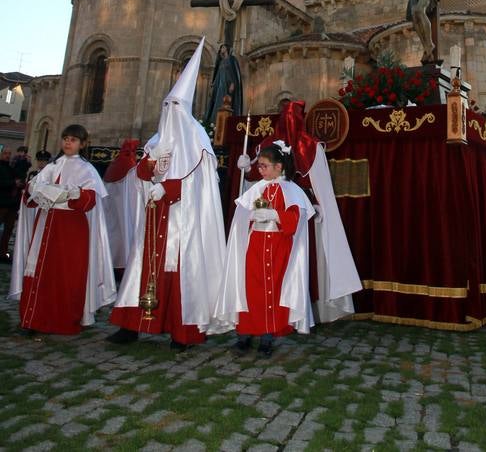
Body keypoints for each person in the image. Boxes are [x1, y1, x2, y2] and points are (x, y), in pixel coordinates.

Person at [108, 37, 228, 351]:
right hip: (155, 216)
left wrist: (169, 188)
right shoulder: (157, 138)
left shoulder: (198, 138)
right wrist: (149, 170)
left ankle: (182, 330)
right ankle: (131, 325)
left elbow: (201, 183)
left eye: (175, 105)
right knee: (143, 265)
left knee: (181, 269)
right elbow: (140, 176)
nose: (169, 110)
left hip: (183, 219)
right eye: (166, 105)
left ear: (185, 108)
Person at [238, 99, 362, 323]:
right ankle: (266, 313)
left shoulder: (310, 147)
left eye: (292, 118)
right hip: (267, 218)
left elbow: (318, 184)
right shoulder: (268, 145)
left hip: (298, 215)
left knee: (298, 263)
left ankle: (301, 309)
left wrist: (316, 204)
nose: (288, 123)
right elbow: (257, 179)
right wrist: (247, 168)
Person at [9, 124, 116, 335]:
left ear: (83, 144)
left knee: (66, 274)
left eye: (73, 139)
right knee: (39, 271)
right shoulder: (51, 166)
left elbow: (90, 201)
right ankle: (33, 321)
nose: (68, 142)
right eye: (65, 138)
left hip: (71, 230)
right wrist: (34, 189)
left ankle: (63, 320)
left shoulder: (87, 170)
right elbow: (30, 196)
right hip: (46, 224)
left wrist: (74, 194)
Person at [216, 141, 315, 356]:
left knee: (272, 291)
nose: (259, 170)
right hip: (255, 246)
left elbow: (295, 219)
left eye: (263, 166)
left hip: (279, 247)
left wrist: (275, 215)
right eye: (258, 166)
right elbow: (242, 217)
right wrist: (250, 216)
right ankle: (244, 335)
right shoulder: (257, 188)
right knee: (250, 291)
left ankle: (267, 338)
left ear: (278, 167)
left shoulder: (292, 190)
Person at [102, 139, 139, 274]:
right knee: (124, 234)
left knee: (112, 231)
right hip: (125, 207)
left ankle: (109, 263)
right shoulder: (130, 165)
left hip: (110, 206)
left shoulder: (113, 164)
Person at [205, 43, 243, 124]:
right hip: (220, 86)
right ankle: (215, 121)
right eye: (221, 48)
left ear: (227, 49)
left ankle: (226, 121)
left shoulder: (232, 60)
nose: (221, 49)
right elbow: (218, 74)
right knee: (218, 103)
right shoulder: (221, 62)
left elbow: (235, 73)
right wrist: (213, 85)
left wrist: (233, 83)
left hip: (228, 85)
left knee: (227, 103)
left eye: (223, 47)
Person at [0, 147, 19, 263]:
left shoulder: (10, 168)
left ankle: (3, 253)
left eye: (9, 154)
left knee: (8, 230)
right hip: (1, 203)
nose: (7, 156)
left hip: (11, 204)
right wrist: (13, 183)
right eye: (5, 153)